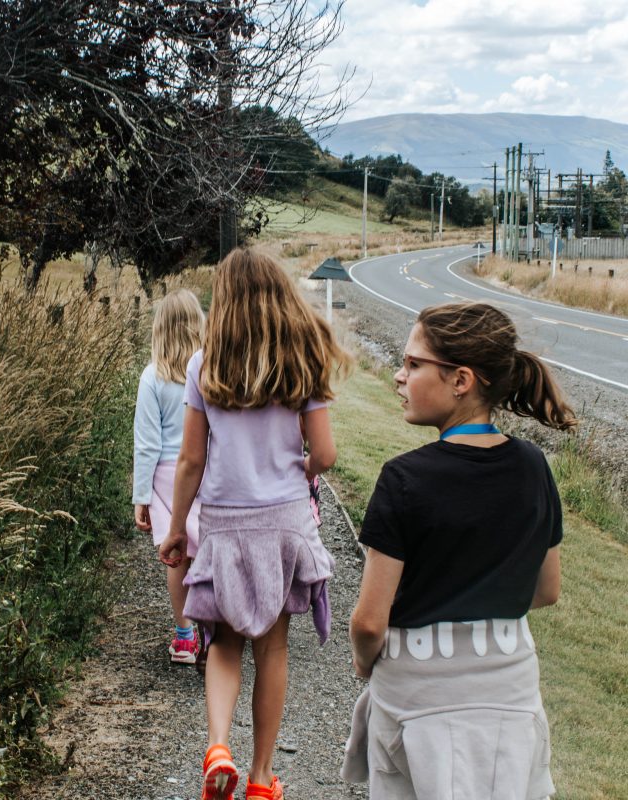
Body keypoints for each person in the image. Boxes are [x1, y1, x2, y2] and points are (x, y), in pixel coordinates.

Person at [342, 302, 577, 799]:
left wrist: (365, 663)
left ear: (461, 380)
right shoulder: (534, 467)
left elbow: (369, 622)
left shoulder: (403, 480)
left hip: (418, 699)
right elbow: (547, 589)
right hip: (510, 692)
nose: (399, 376)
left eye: (413, 364)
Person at [160, 248, 352, 800]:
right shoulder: (302, 360)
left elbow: (190, 460)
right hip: (284, 520)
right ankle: (262, 779)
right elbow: (326, 454)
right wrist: (302, 469)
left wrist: (178, 527)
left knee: (222, 641)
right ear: (279, 298)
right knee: (272, 647)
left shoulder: (205, 365)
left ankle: (218, 747)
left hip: (225, 521)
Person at [133, 288, 205, 665]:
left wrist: (141, 496)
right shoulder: (209, 372)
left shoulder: (152, 377)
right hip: (206, 470)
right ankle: (216, 629)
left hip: (165, 479)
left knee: (177, 557)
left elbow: (147, 443)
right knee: (210, 550)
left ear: (159, 328)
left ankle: (185, 637)